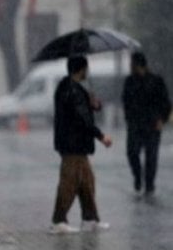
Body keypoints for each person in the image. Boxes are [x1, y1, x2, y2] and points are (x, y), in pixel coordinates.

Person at [50, 55, 113, 234]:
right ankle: (58, 220)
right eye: (86, 68)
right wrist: (101, 137)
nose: (88, 72)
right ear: (81, 69)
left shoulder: (71, 88)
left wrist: (93, 104)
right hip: (73, 144)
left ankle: (90, 219)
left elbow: (84, 110)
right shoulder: (72, 90)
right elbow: (83, 119)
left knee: (87, 182)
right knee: (68, 183)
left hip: (74, 144)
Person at [121, 51, 171, 196]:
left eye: (132, 63)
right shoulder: (129, 81)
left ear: (137, 65)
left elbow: (165, 102)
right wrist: (128, 118)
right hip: (135, 124)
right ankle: (138, 176)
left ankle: (149, 184)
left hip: (152, 124)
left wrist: (162, 119)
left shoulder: (156, 81)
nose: (130, 66)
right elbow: (126, 101)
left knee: (151, 156)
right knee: (132, 153)